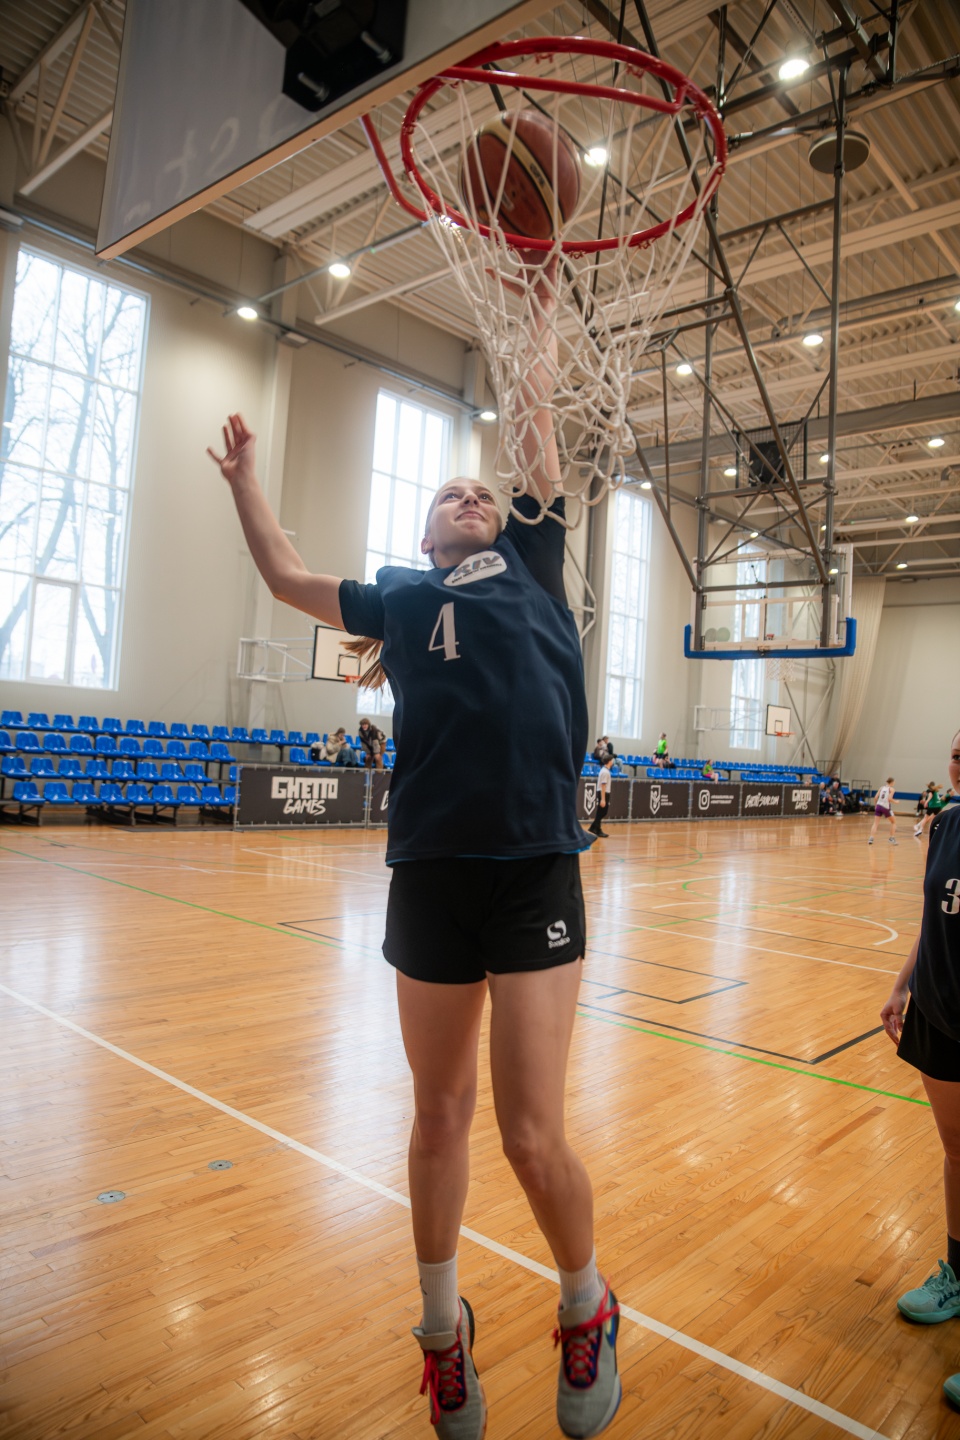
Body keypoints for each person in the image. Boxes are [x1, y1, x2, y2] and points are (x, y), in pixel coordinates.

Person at [206, 266, 621, 1440]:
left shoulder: (534, 564)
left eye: (482, 487)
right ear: (426, 535)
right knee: (438, 1119)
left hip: (535, 869)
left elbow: (531, 421)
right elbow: (286, 576)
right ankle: (443, 1335)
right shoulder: (397, 598)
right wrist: (245, 483)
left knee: (530, 1134)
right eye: (449, 493)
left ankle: (588, 1305)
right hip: (431, 878)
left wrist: (536, 298)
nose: (470, 492)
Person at [880, 726, 960, 1408]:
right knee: (957, 1154)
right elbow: (932, 919)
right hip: (938, 1011)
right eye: (959, 754)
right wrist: (901, 984)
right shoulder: (943, 825)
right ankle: (957, 1274)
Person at [589, 755, 614, 838]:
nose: (613, 761)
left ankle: (596, 828)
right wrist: (603, 799)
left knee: (601, 812)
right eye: (612, 760)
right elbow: (603, 785)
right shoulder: (605, 772)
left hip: (604, 793)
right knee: (602, 811)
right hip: (603, 793)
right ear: (609, 761)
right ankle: (595, 828)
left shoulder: (605, 771)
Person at [869, 777, 897, 845]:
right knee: (893, 822)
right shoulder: (892, 789)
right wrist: (895, 801)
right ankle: (891, 838)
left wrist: (875, 805)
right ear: (892, 782)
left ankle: (871, 838)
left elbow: (875, 797)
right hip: (885, 807)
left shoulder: (881, 788)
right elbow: (889, 798)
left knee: (875, 823)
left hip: (878, 806)